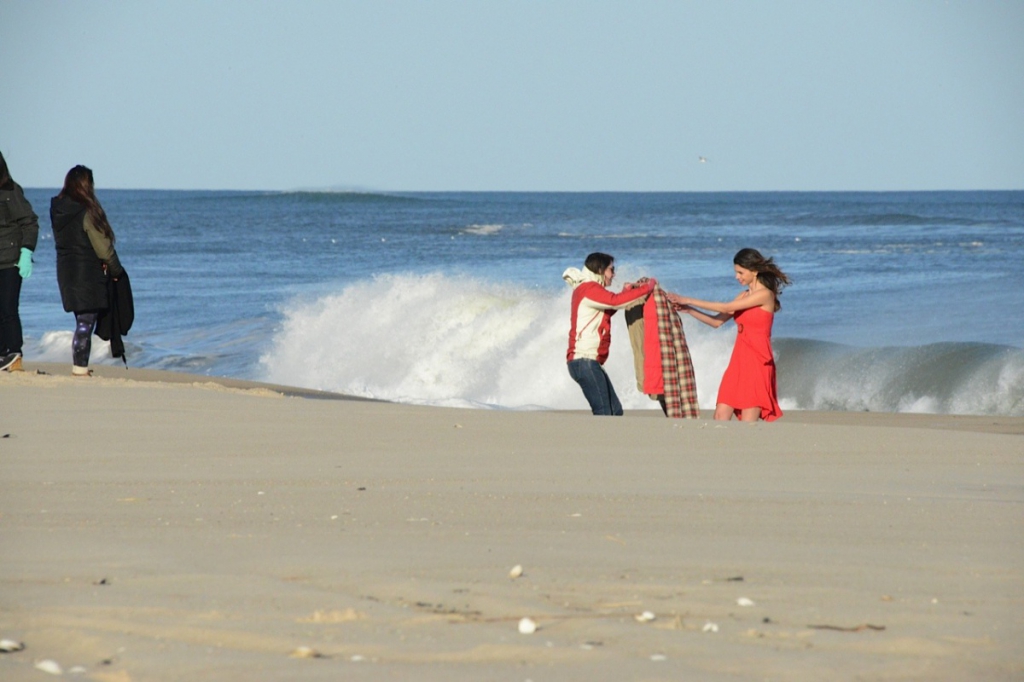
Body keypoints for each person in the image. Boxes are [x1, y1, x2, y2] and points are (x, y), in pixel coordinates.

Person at [667, 248, 790, 422]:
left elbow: (725, 307)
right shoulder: (743, 295)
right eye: (736, 272)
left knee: (747, 423)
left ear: (754, 271)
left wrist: (688, 299)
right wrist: (689, 310)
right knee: (720, 415)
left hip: (757, 362)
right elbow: (716, 322)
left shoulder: (765, 295)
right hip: (738, 362)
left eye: (740, 272)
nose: (737, 277)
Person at [50, 166, 124, 376]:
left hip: (66, 272)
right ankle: (80, 368)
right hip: (86, 273)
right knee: (85, 322)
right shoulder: (85, 211)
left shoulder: (58, 209)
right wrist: (116, 270)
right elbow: (102, 247)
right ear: (85, 185)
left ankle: (80, 366)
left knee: (82, 320)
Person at [564, 252, 656, 415]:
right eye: (611, 270)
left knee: (615, 411)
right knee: (604, 412)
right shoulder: (588, 288)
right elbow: (615, 302)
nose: (614, 274)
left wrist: (624, 291)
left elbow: (608, 308)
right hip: (584, 361)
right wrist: (646, 288)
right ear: (600, 270)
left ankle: (612, 440)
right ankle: (598, 441)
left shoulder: (587, 288)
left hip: (586, 362)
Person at [0, 151, 40, 372]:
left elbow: (30, 222)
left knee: (7, 309)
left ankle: (14, 354)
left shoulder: (10, 191)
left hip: (10, 260)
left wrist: (26, 252)